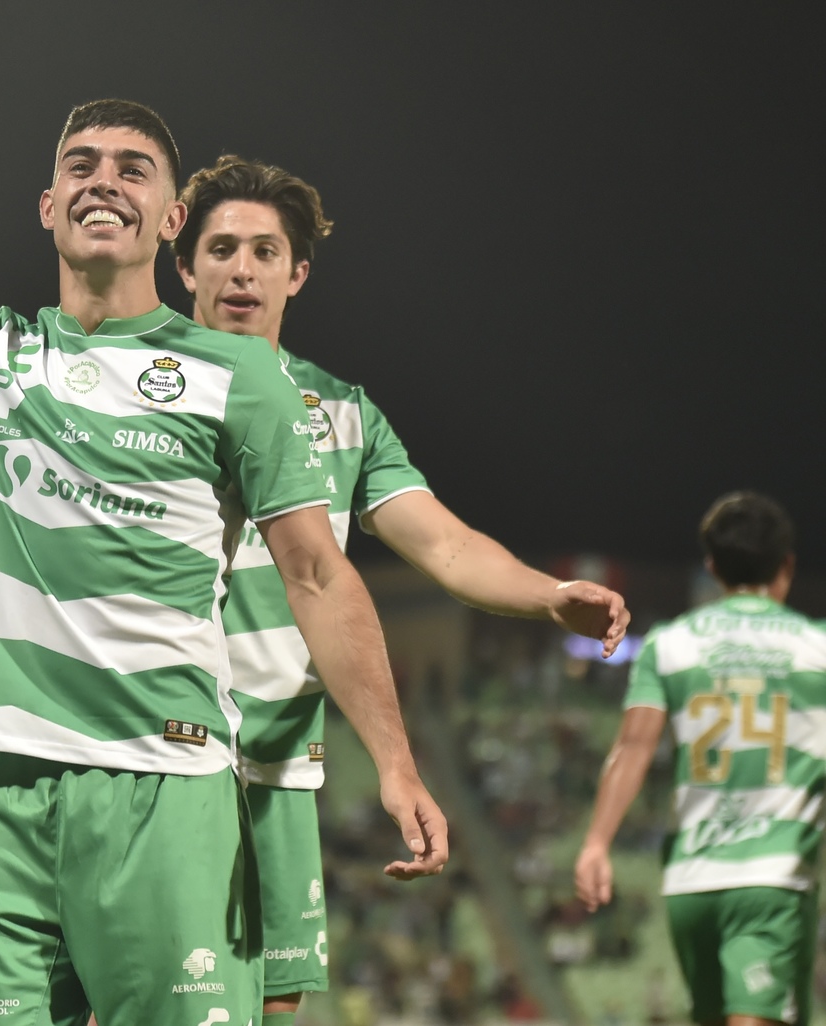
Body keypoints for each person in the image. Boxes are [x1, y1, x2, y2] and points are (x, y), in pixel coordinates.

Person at [0, 37, 447, 1026]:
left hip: (162, 784)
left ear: (168, 220)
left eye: (132, 170)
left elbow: (318, 578)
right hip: (7, 793)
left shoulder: (236, 376)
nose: (101, 181)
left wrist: (394, 763)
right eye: (79, 166)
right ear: (48, 207)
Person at [173, 155, 631, 1025]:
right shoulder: (139, 390)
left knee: (274, 1009)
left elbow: (448, 547)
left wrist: (545, 595)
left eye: (265, 252)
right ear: (184, 264)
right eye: (221, 248)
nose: (241, 269)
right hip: (153, 762)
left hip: (276, 774)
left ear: (297, 273)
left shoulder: (341, 413)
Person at [575, 491, 823, 1026]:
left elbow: (633, 747)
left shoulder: (670, 644)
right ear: (787, 566)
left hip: (691, 883)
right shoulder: (817, 648)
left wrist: (597, 842)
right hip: (772, 876)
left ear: (712, 567)